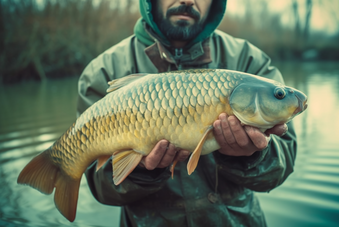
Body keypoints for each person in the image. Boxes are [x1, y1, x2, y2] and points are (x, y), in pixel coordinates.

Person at [77, 0, 296, 226]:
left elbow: (283, 163)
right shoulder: (103, 70)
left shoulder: (248, 60)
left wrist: (254, 155)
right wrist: (141, 171)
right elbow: (101, 187)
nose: (188, 0)